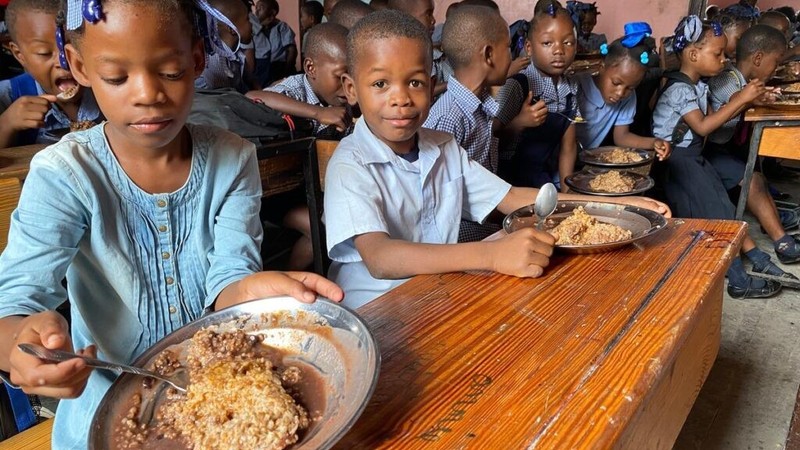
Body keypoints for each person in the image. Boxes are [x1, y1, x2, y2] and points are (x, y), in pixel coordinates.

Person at [0, 1, 343, 448]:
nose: (148, 94)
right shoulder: (65, 174)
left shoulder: (233, 158)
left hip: (220, 393)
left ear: (197, 59)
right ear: (80, 66)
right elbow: (14, 302)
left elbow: (229, 279)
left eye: (171, 72)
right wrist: (19, 344)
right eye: (117, 77)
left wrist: (251, 290)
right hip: (106, 413)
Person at [324, 10, 670, 308]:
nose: (400, 98)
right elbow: (381, 258)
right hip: (376, 310)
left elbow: (513, 198)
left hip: (436, 294)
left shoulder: (442, 147)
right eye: (381, 83)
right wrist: (491, 254)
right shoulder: (351, 162)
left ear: (431, 85)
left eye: (414, 83)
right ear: (351, 89)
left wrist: (620, 207)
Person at [652, 15, 786, 299]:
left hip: (694, 155)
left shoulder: (697, 86)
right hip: (678, 159)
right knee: (716, 214)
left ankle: (754, 255)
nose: (725, 60)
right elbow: (702, 127)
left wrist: (746, 101)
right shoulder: (679, 89)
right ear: (693, 54)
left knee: (723, 206)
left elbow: (711, 122)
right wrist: (739, 100)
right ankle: (737, 279)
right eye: (718, 54)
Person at [247, 23, 353, 271]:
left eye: (352, 77)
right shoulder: (294, 90)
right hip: (273, 195)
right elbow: (253, 97)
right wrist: (318, 113)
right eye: (340, 76)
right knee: (320, 228)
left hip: (310, 189)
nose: (346, 85)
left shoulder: (345, 96)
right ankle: (292, 285)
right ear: (310, 67)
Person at [706, 25, 800, 263]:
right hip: (709, 153)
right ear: (758, 58)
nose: (776, 68)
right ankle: (782, 242)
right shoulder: (727, 80)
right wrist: (751, 100)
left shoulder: (742, 79)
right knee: (754, 179)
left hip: (725, 150)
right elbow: (732, 105)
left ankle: (775, 224)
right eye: (775, 62)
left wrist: (760, 96)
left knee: (757, 176)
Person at [423, 5, 510, 242]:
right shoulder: (448, 117)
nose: (511, 56)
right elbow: (438, 203)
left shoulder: (479, 106)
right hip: (457, 232)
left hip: (486, 212)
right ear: (489, 55)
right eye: (509, 48)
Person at [494, 0, 579, 191]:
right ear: (529, 48)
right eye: (547, 43)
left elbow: (569, 145)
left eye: (567, 43)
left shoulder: (571, 88)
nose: (559, 51)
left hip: (542, 176)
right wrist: (519, 122)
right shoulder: (517, 85)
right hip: (509, 181)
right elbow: (491, 136)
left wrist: (568, 192)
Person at [0, 0, 102, 148]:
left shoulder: (110, 88)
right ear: (19, 55)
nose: (63, 62)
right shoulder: (6, 97)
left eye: (73, 48)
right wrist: (6, 124)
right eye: (44, 53)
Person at [576, 22, 671, 161]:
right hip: (558, 160)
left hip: (583, 160)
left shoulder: (628, 97)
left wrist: (654, 142)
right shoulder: (577, 87)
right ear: (601, 66)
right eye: (616, 83)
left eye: (630, 87)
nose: (621, 93)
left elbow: (621, 137)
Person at [195, 0, 256, 92]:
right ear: (232, 29)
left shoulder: (235, 55)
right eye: (247, 19)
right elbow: (226, 98)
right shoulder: (214, 61)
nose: (251, 24)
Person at [251, 0, 297, 86]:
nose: (256, 11)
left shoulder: (281, 27)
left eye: (260, 8)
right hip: (261, 67)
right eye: (256, 8)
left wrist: (287, 69)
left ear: (272, 12)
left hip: (278, 67)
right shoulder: (256, 28)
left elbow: (291, 49)